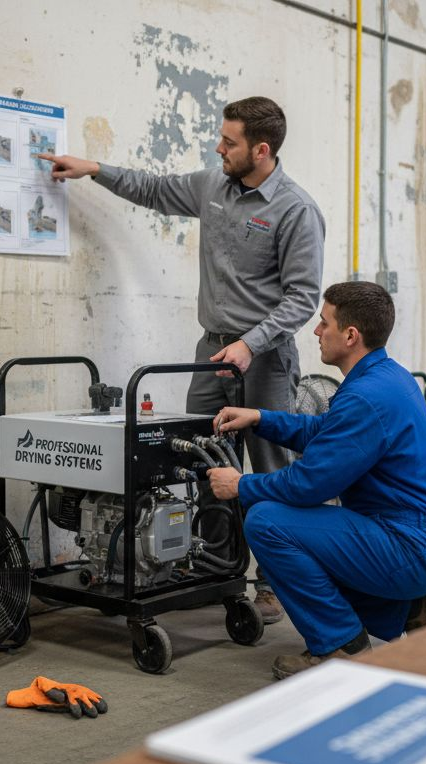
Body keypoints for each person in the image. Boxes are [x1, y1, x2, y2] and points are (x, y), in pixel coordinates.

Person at [37, 97, 324, 623]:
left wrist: (251, 343)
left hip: (265, 359)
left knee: (271, 466)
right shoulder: (213, 186)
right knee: (205, 458)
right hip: (210, 354)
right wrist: (93, 169)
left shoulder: (295, 209)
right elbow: (153, 188)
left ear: (261, 150)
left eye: (229, 141)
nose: (219, 147)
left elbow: (303, 298)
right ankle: (218, 566)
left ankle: (276, 583)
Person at [206, 281, 426, 679]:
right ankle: (409, 610)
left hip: (408, 548)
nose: (317, 331)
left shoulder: (364, 397)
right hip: (419, 539)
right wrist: (261, 418)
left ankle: (340, 645)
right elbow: (329, 431)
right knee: (312, 537)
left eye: (324, 323)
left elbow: (309, 485)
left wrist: (240, 485)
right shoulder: (387, 377)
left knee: (268, 522)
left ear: (351, 336)